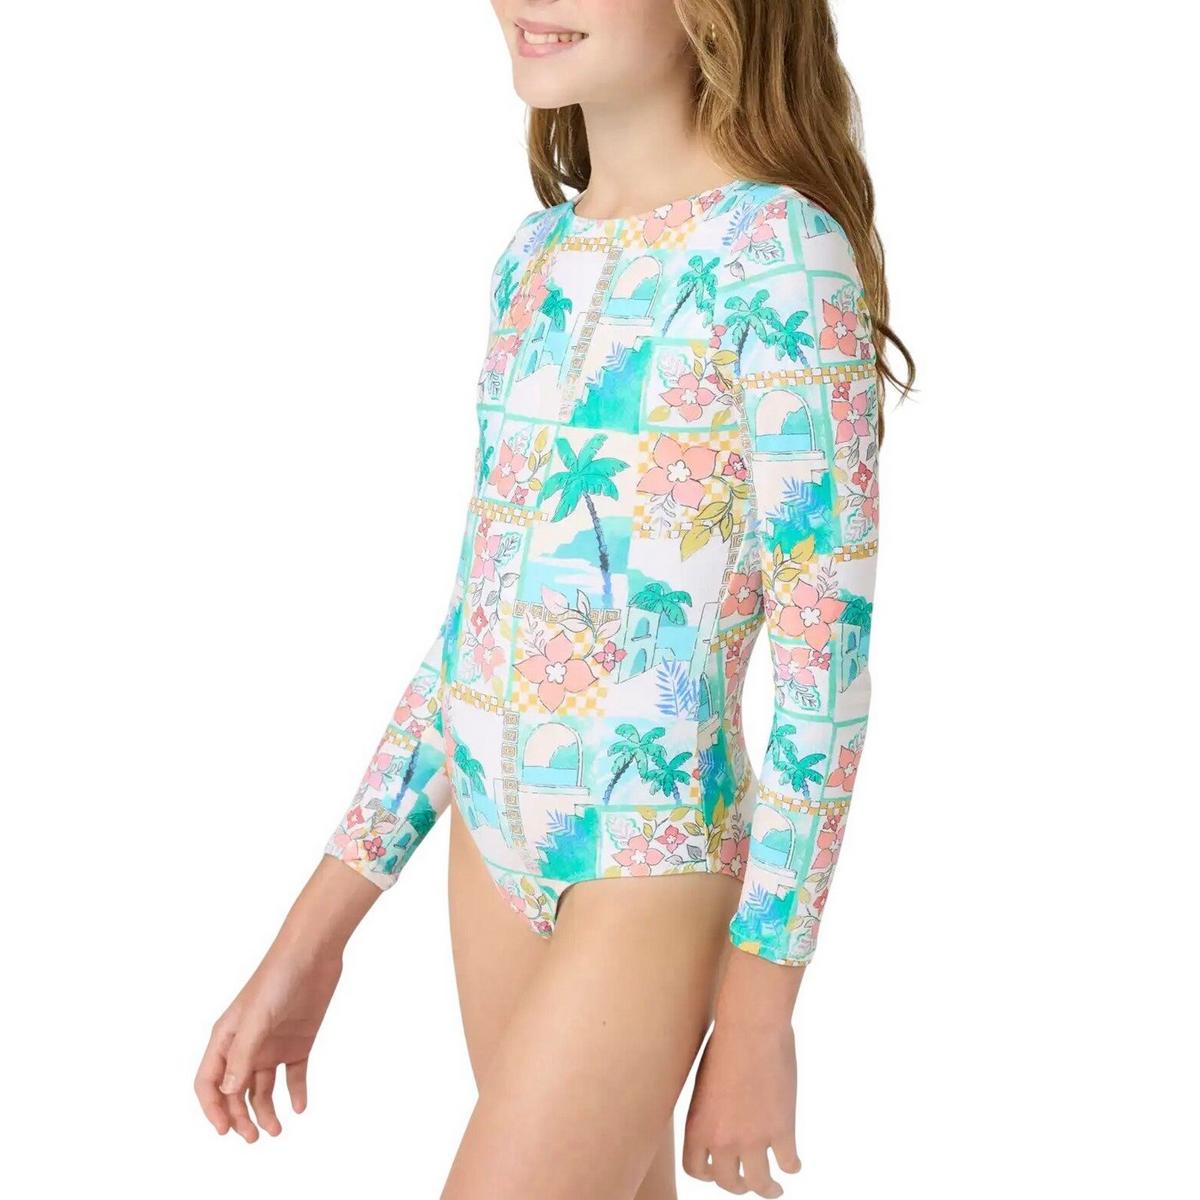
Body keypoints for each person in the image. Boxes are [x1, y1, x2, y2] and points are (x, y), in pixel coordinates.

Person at [194, 3, 914, 1196]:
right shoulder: (533, 260)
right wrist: (311, 940)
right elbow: (477, 639)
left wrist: (758, 1013)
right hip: (491, 846)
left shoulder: (780, 257)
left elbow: (823, 671)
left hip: (651, 849)